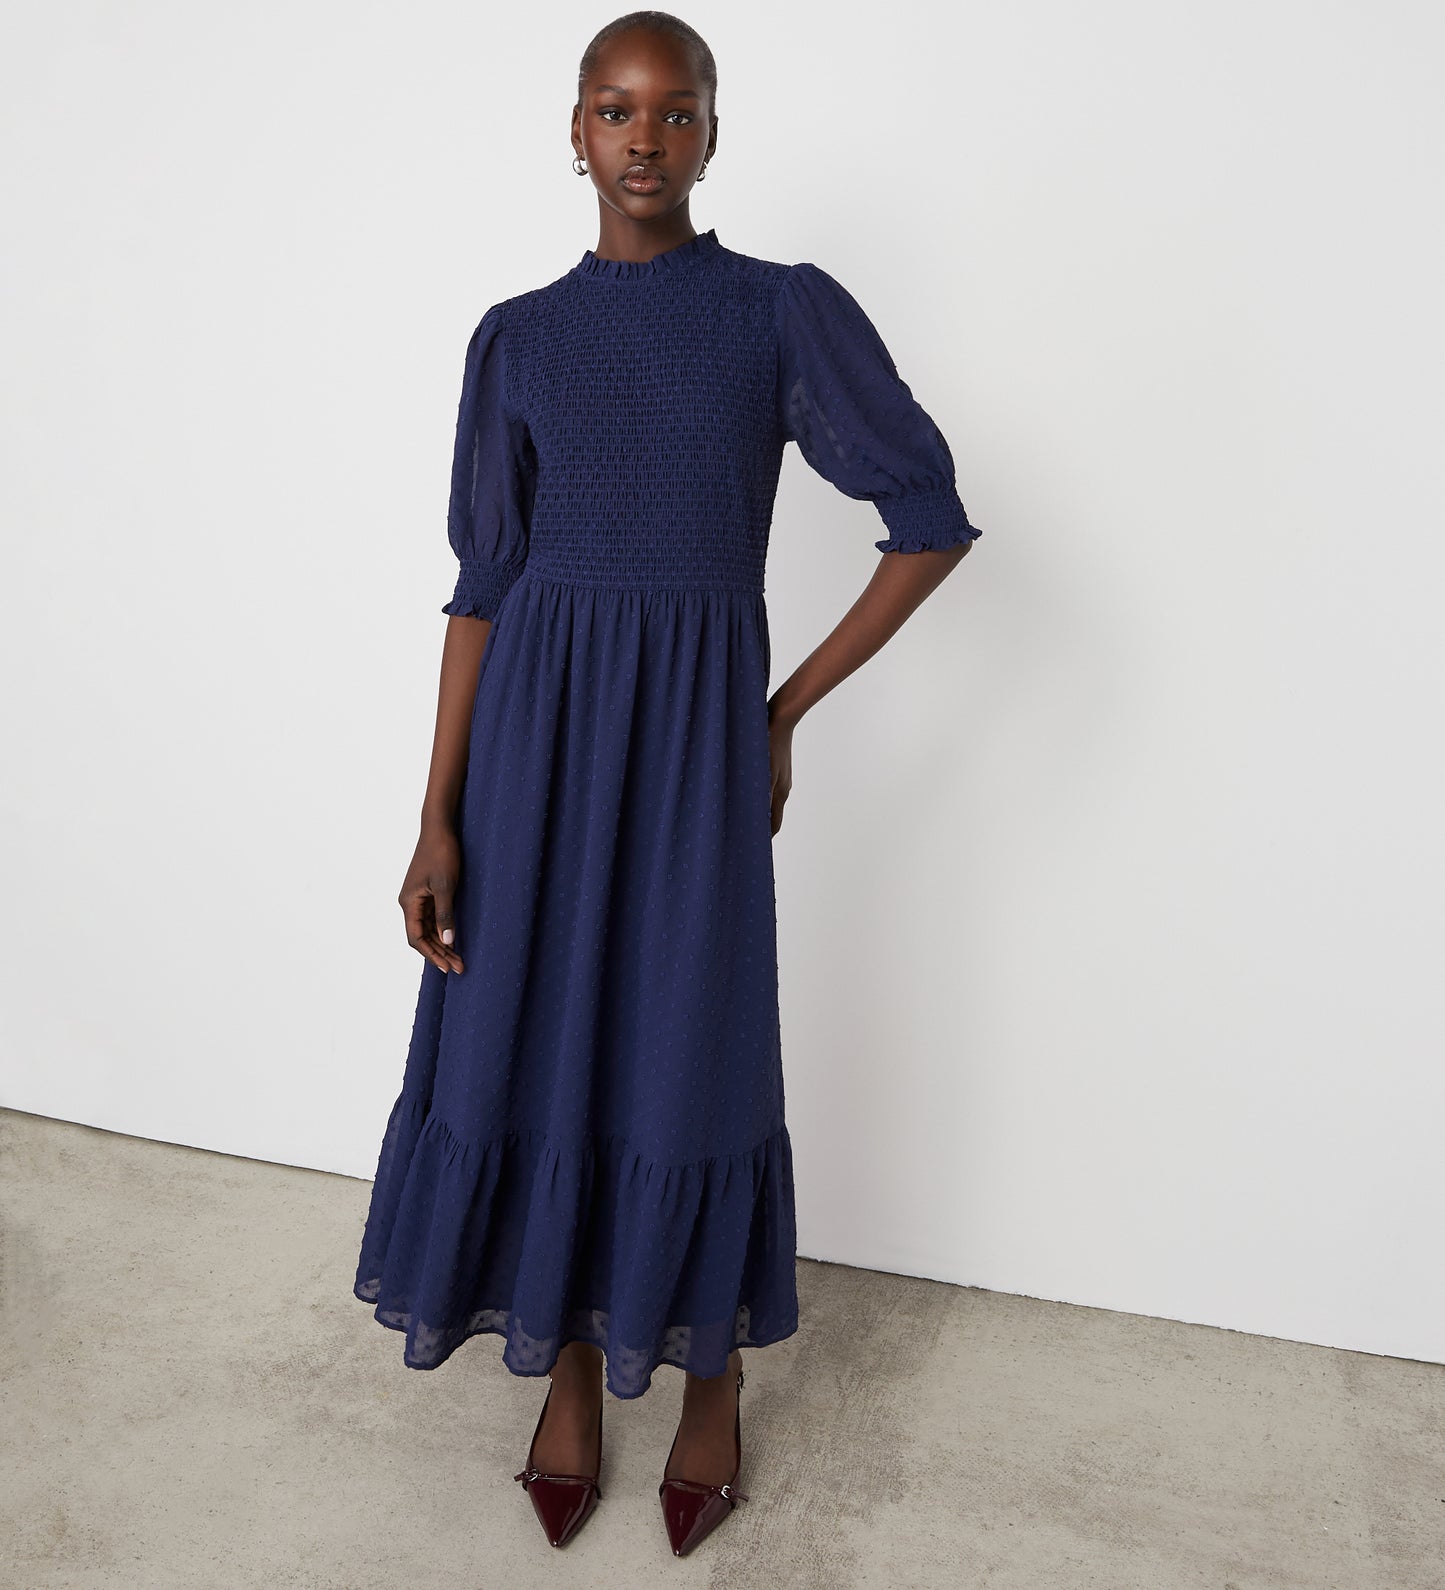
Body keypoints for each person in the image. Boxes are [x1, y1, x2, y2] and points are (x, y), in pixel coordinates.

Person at [352, 9, 983, 1558]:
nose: (645, 137)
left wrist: (779, 712)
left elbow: (927, 515)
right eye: (614, 110)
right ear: (572, 133)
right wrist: (437, 809)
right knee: (525, 1046)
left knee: (690, 1054)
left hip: (691, 744)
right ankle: (565, 1373)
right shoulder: (515, 335)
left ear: (712, 134)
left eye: (676, 111)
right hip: (530, 755)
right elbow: (482, 586)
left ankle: (709, 1381)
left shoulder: (776, 315)